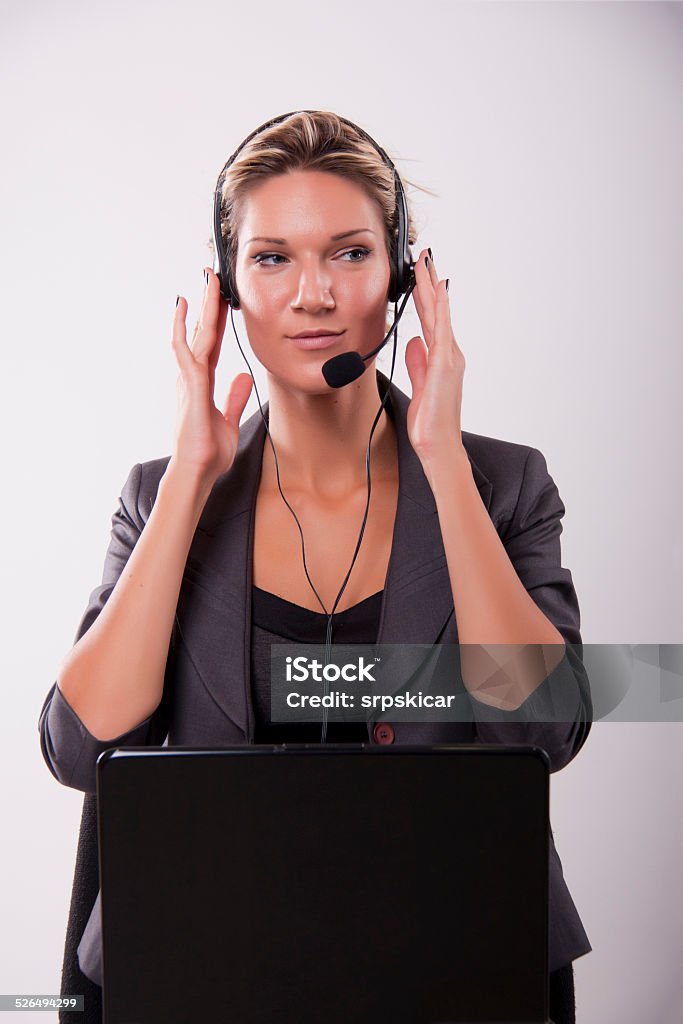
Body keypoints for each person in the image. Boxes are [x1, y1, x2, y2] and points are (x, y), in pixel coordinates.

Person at [38, 110, 591, 1023]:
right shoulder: (160, 495)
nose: (312, 296)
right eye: (270, 258)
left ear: (404, 279)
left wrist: (443, 461)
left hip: (460, 961)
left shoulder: (501, 483)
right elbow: (75, 747)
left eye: (347, 254)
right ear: (226, 287)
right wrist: (189, 478)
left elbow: (546, 730)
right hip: (199, 967)